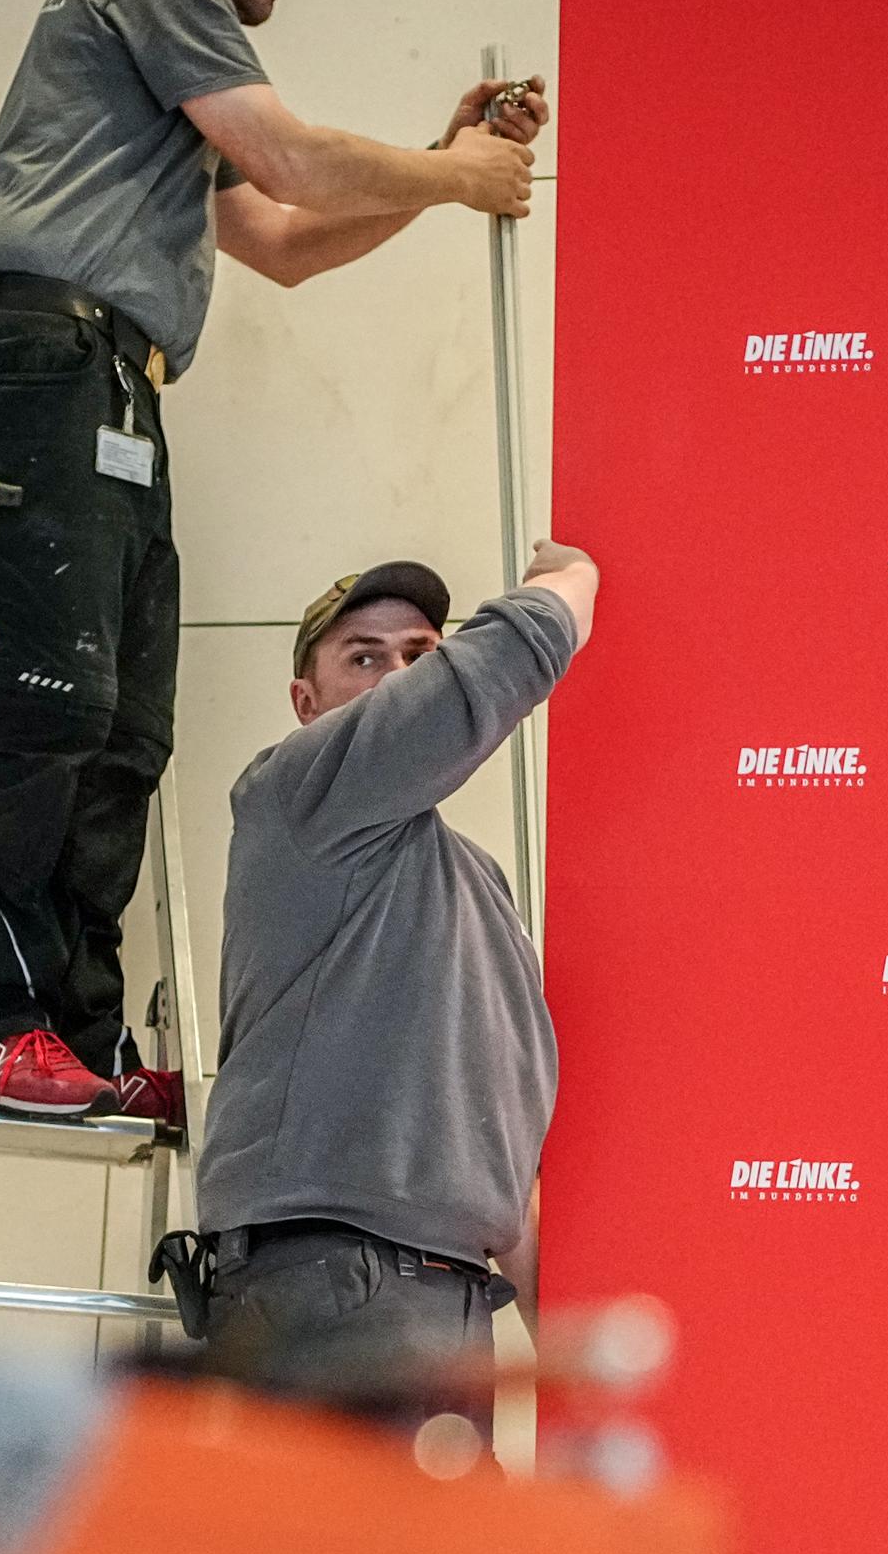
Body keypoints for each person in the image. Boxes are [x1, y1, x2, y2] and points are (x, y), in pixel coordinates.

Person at [0, 0, 547, 1117]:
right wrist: (458, 175)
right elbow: (293, 163)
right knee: (50, 697)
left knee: (122, 730)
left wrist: (441, 165)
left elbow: (287, 240)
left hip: (108, 387)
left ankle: (78, 1040)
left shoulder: (155, 79)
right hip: (45, 367)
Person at [158, 538, 595, 1420]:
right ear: (305, 703)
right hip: (335, 1280)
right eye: (364, 658)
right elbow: (483, 677)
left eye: (420, 655)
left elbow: (501, 1142)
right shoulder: (295, 796)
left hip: (444, 1294)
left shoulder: (476, 882)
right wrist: (570, 583)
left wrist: (566, 1353)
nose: (399, 679)